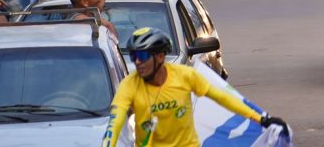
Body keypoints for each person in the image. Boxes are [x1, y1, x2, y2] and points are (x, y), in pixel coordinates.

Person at [102, 27, 289, 147]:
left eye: (142, 57)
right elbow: (115, 121)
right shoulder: (130, 84)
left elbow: (222, 97)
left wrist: (262, 119)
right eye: (134, 56)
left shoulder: (185, 75)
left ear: (160, 57)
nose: (137, 62)